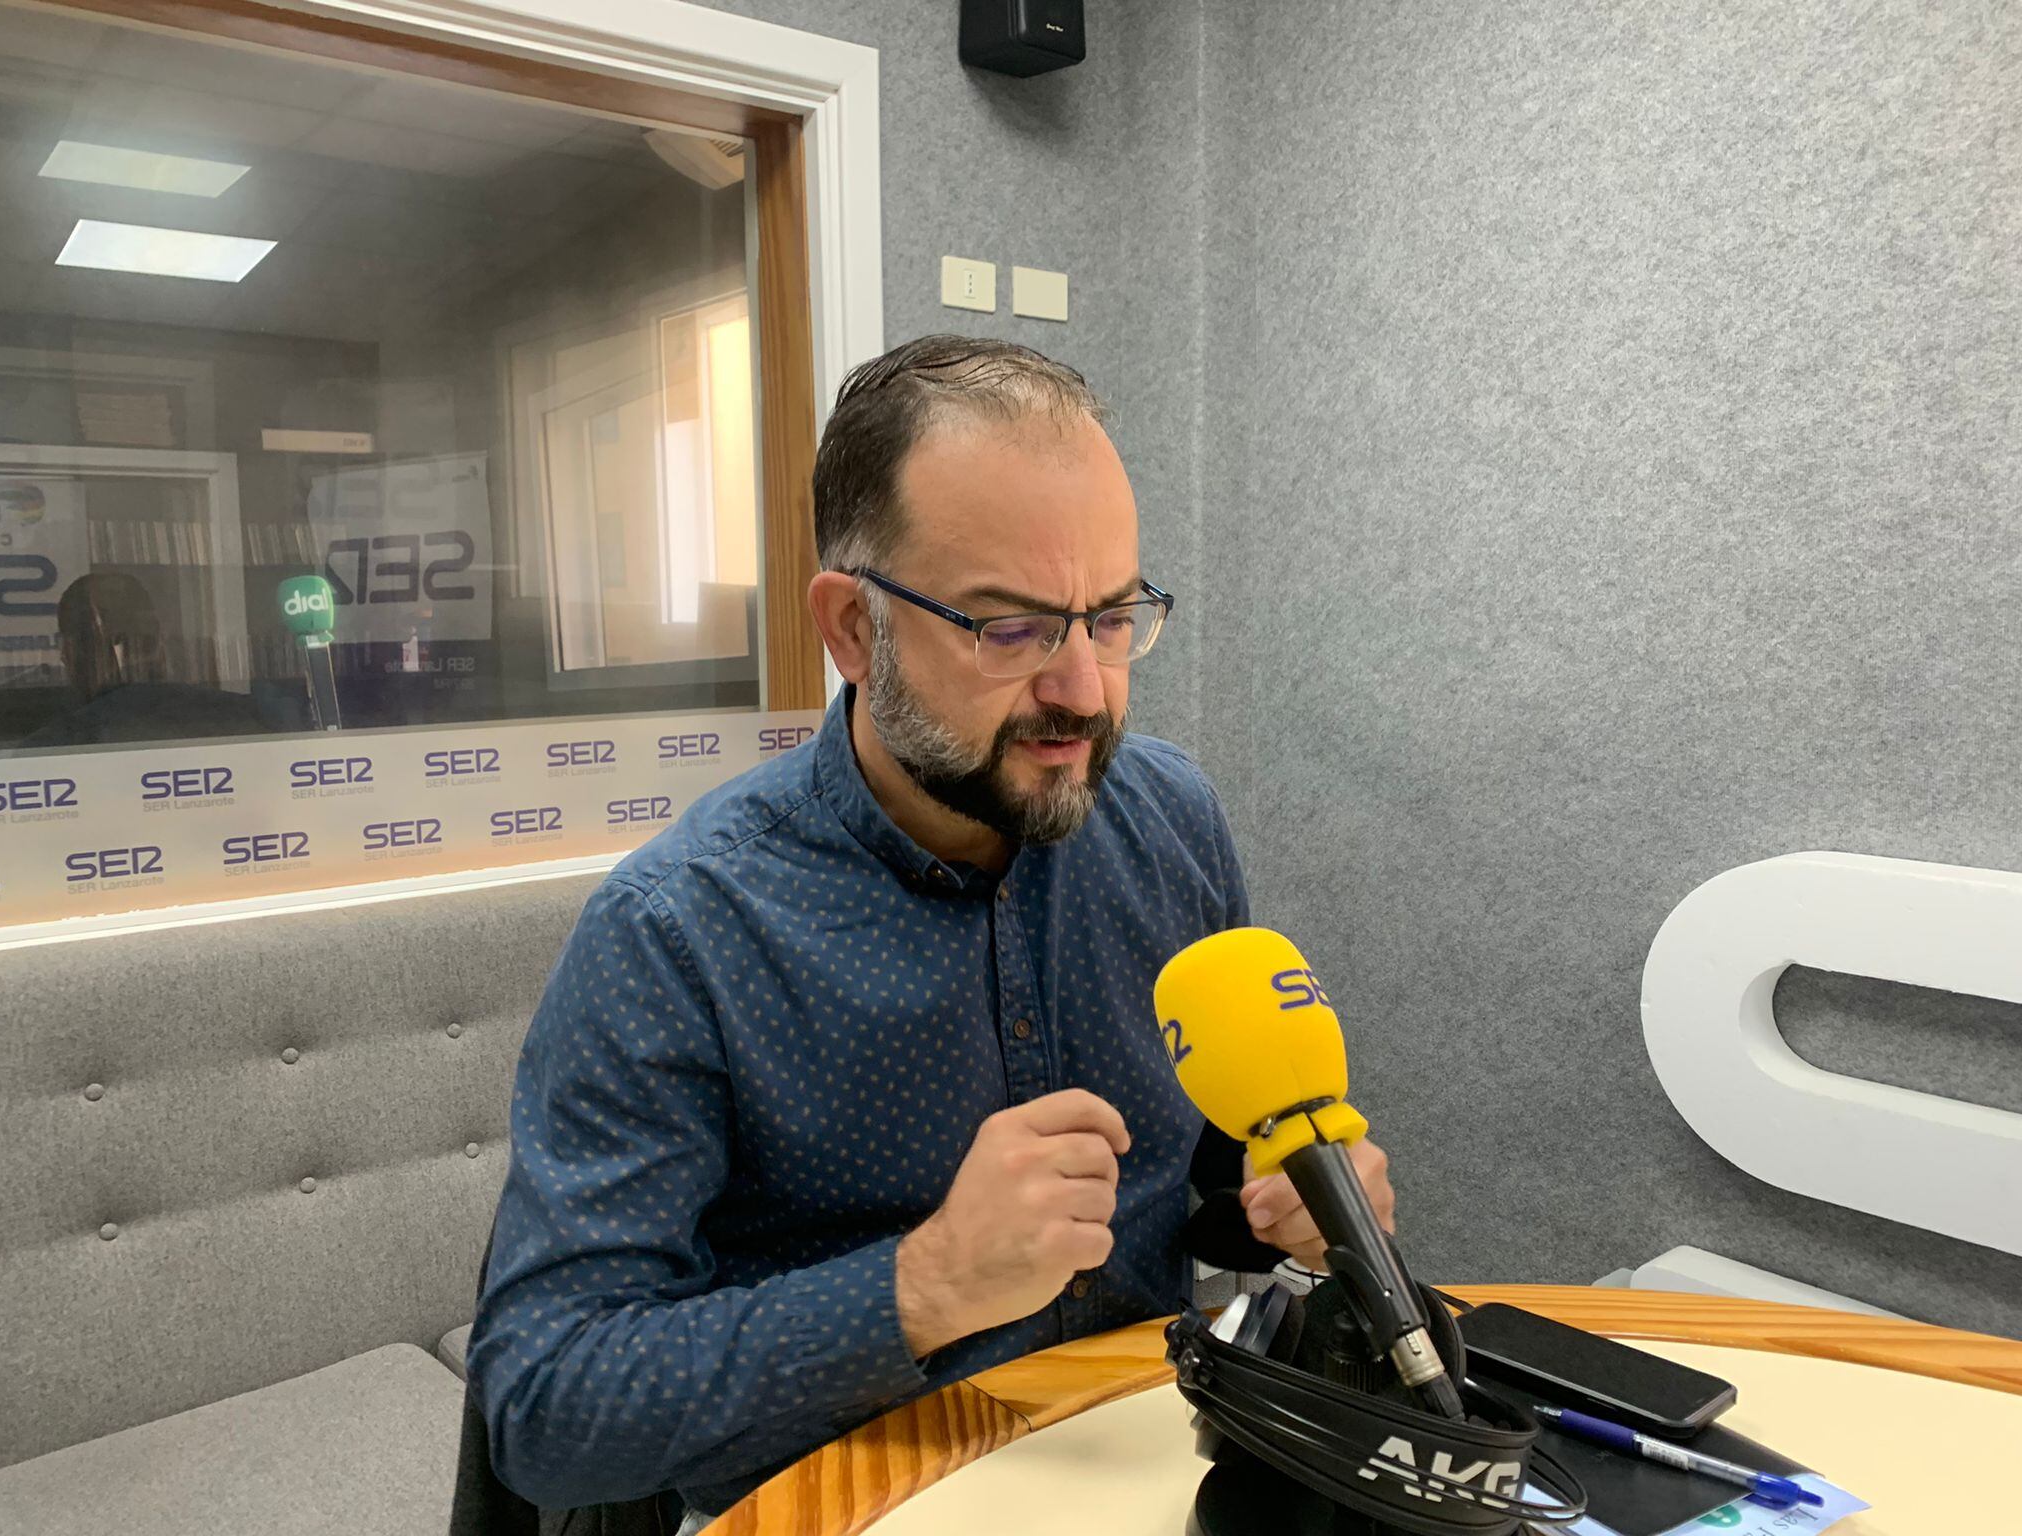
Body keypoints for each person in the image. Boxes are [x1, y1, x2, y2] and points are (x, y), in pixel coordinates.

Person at [466, 336, 1395, 1526]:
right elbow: (544, 1409)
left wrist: (1298, 1198)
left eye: (1109, 619)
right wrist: (923, 1285)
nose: (1082, 691)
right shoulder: (678, 930)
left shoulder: (1170, 820)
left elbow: (1212, 1178)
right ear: (852, 629)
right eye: (1008, 630)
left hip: (1142, 1466)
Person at [17, 572, 272, 747]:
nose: (62, 655)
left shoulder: (57, 745)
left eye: (67, 638)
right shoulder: (238, 715)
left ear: (95, 643)